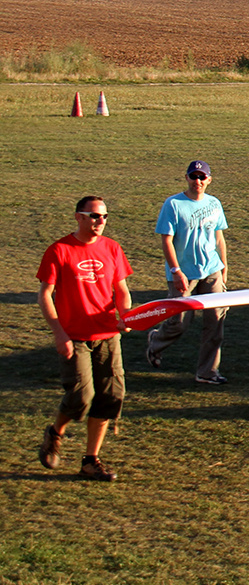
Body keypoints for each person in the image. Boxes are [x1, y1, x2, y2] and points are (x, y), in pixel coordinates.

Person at [37, 197, 134, 482]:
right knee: (81, 397)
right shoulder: (59, 250)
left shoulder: (112, 248)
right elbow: (45, 295)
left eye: (103, 217)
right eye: (93, 216)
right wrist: (59, 333)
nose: (99, 222)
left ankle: (91, 461)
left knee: (111, 396)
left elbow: (122, 289)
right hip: (74, 336)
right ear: (78, 217)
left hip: (107, 334)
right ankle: (55, 433)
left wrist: (126, 316)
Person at [146, 160, 230, 385]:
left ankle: (207, 372)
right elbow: (167, 239)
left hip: (211, 269)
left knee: (215, 321)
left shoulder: (214, 203)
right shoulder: (173, 204)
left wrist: (223, 267)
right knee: (180, 322)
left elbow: (219, 237)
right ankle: (156, 341)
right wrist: (176, 270)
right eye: (194, 176)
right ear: (187, 178)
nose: (198, 181)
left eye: (202, 177)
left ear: (209, 180)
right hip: (183, 273)